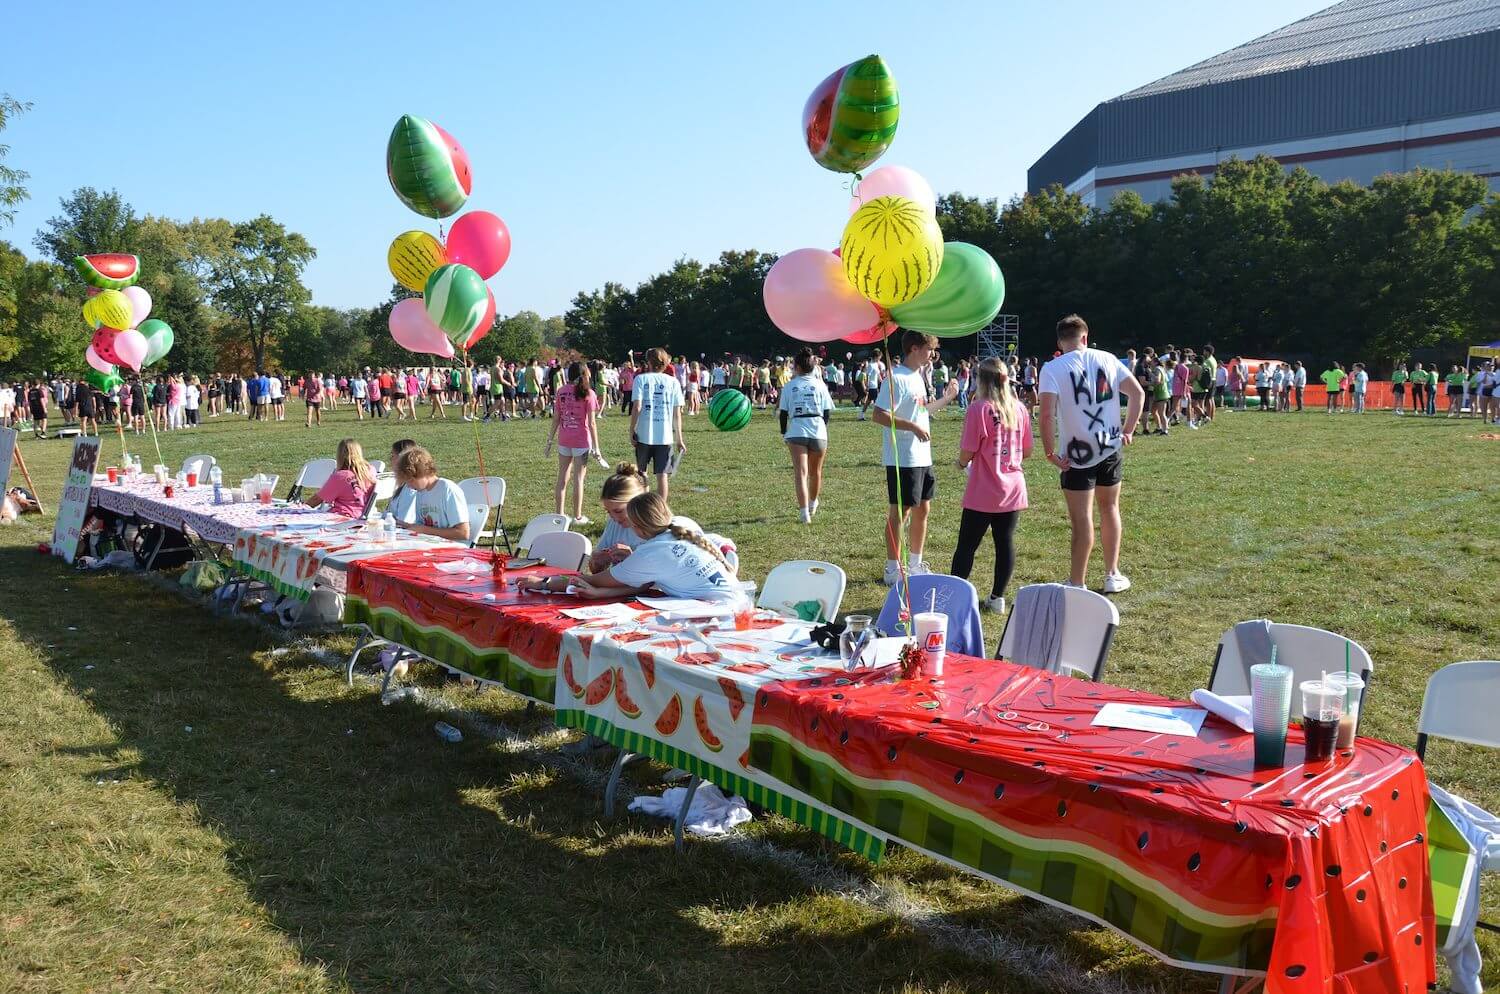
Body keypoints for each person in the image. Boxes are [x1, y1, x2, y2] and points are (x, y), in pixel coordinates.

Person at [1038, 314, 1144, 593]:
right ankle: (1112, 573)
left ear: (1060, 342)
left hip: (1076, 454)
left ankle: (1077, 581)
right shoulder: (1107, 358)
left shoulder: (1052, 368)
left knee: (1082, 520)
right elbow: (1138, 394)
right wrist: (1129, 429)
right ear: (1085, 337)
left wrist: (1049, 451)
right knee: (1110, 509)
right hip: (1109, 446)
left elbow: (1046, 414)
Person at [518, 492, 742, 605]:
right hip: (739, 603)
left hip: (716, 615)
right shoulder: (684, 523)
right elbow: (644, 584)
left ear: (638, 528)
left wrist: (543, 583)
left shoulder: (651, 554)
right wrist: (601, 593)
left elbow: (589, 580)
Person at [872, 331, 960, 586]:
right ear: (913, 349)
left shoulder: (917, 378)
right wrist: (911, 427)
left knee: (924, 508)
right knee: (901, 512)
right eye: (929, 349)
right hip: (904, 457)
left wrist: (947, 399)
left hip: (923, 456)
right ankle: (892, 568)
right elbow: (879, 415)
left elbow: (922, 411)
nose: (932, 355)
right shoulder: (896, 378)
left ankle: (915, 563)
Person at [951, 358, 1031, 614]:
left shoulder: (979, 408)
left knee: (966, 545)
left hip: (985, 488)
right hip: (1013, 487)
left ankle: (957, 595)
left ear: (981, 379)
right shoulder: (1019, 408)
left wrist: (961, 463)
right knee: (1004, 542)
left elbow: (968, 449)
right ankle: (998, 598)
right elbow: (1027, 450)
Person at [778, 347, 835, 524]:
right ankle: (812, 503)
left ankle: (804, 513)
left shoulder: (790, 385)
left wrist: (783, 432)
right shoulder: (820, 385)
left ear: (798, 367)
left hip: (796, 430)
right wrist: (821, 426)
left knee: (800, 473)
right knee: (815, 472)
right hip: (818, 429)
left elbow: (783, 413)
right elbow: (827, 412)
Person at [546, 360, 601, 523]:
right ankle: (577, 516)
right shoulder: (589, 393)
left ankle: (559, 514)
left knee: (562, 477)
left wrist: (549, 440)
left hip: (564, 439)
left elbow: (556, 418)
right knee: (578, 478)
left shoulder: (561, 391)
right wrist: (597, 447)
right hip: (581, 441)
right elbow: (591, 423)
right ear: (584, 374)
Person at [630, 347, 685, 499]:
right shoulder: (673, 382)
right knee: (663, 476)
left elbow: (637, 407)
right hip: (665, 436)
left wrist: (631, 430)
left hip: (643, 434)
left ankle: (643, 509)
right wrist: (679, 438)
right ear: (666, 363)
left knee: (642, 473)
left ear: (648, 362)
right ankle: (661, 511)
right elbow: (677, 413)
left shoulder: (640, 379)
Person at [387, 446, 470, 543]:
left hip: (451, 548)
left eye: (410, 481)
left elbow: (463, 533)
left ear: (422, 473)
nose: (409, 486)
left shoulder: (448, 489)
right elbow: (422, 526)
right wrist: (407, 526)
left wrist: (424, 530)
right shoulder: (420, 492)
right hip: (429, 545)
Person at [305, 438, 374, 518]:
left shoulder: (341, 477)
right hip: (364, 515)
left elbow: (316, 500)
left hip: (343, 518)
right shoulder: (371, 470)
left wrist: (298, 509)